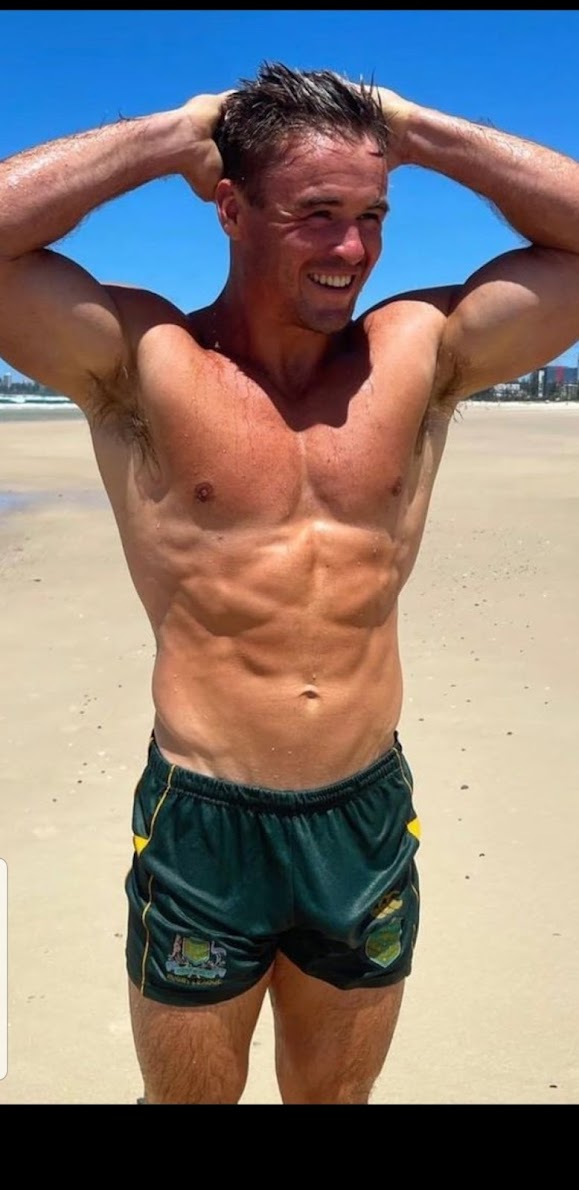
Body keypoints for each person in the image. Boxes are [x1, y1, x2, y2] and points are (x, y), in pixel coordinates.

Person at [1, 61, 578, 1107]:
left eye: (371, 215)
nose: (351, 249)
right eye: (317, 213)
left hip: (362, 814)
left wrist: (417, 130)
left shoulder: (417, 353)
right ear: (230, 209)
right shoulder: (146, 359)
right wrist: (167, 135)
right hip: (203, 818)